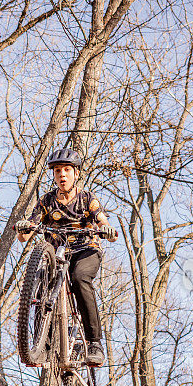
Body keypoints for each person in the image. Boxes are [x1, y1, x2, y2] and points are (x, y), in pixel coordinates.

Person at [14, 148, 117, 366]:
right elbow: (25, 235)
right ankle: (42, 346)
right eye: (58, 171)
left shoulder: (87, 198)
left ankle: (94, 343)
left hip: (85, 249)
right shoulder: (47, 201)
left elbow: (102, 221)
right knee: (42, 285)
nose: (62, 174)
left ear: (75, 173)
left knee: (80, 278)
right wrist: (24, 227)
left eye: (67, 170)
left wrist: (107, 230)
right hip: (57, 254)